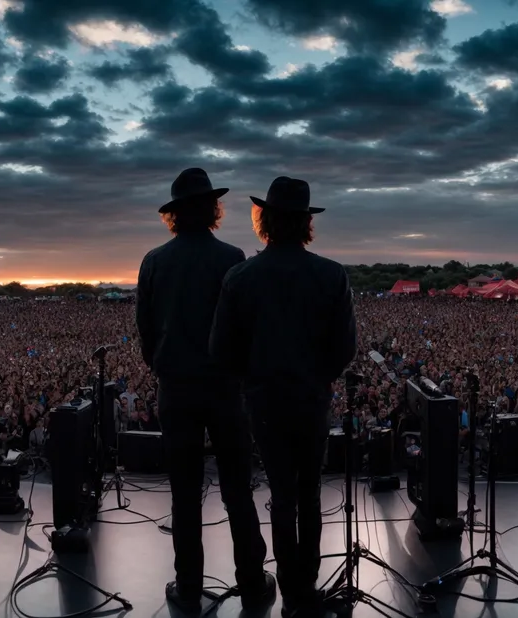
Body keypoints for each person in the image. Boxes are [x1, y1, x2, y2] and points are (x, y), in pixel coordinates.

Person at [210, 176, 357, 617]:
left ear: (266, 220)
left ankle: (289, 584)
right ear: (306, 223)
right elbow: (345, 347)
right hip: (311, 399)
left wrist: (252, 381)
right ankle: (302, 590)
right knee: (310, 492)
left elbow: (221, 350)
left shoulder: (240, 277)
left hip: (264, 402)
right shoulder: (332, 275)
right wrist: (319, 377)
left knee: (282, 493)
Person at [137, 168, 274, 614]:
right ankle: (253, 582)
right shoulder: (232, 257)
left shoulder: (154, 261)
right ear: (213, 209)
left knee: (183, 492)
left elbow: (145, 329)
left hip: (176, 388)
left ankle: (189, 586)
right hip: (225, 389)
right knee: (238, 488)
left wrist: (163, 363)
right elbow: (246, 326)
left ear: (174, 215)